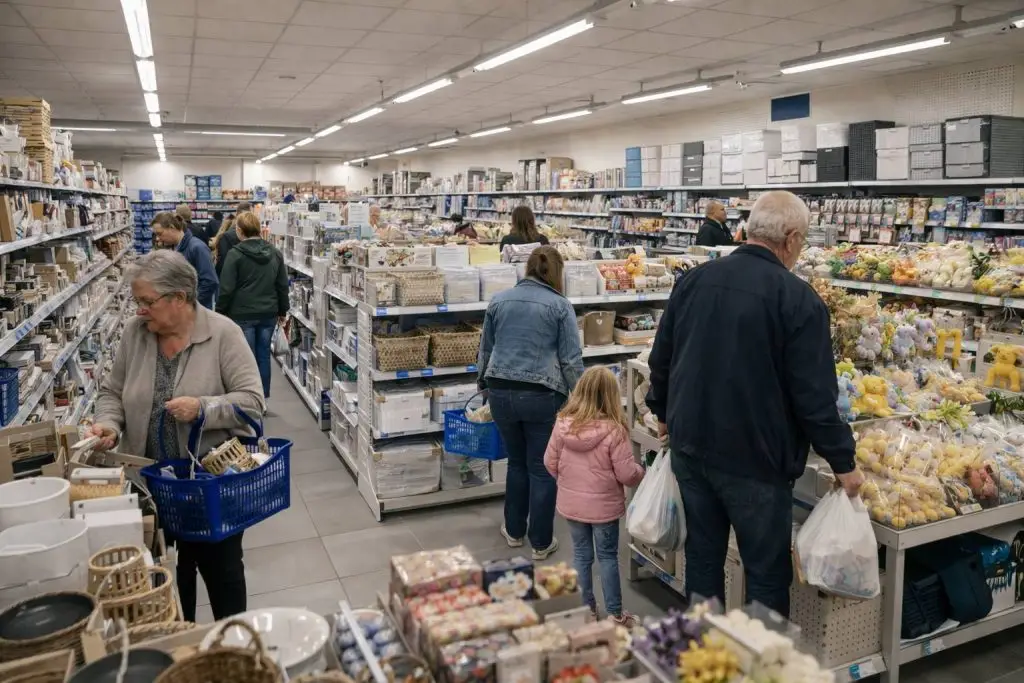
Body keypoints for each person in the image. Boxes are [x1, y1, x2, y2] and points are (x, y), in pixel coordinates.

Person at [646, 190, 864, 617]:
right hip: (756, 464)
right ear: (793, 237)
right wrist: (843, 462)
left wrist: (662, 412)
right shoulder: (799, 300)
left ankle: (706, 660)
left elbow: (662, 358)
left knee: (704, 561)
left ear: (748, 228)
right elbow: (814, 398)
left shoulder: (694, 280)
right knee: (765, 575)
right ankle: (762, 666)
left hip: (692, 449)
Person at [90, 250, 264, 623]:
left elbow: (252, 403)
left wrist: (203, 407)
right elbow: (111, 392)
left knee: (223, 577)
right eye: (137, 301)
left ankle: (233, 650)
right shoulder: (136, 335)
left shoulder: (223, 334)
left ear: (180, 298)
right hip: (152, 488)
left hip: (211, 490)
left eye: (147, 302)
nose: (140, 310)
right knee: (166, 582)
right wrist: (109, 424)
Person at [479, 245, 583, 560]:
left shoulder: (498, 300)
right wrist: (580, 397)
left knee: (516, 462)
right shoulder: (560, 306)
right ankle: (540, 542)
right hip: (541, 394)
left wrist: (484, 385)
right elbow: (570, 360)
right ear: (557, 272)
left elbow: (485, 349)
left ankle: (513, 531)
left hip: (500, 391)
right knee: (542, 467)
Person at [544, 366, 644, 626]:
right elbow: (626, 474)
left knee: (580, 555)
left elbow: (549, 462)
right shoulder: (615, 430)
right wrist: (641, 472)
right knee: (608, 557)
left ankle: (586, 610)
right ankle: (615, 614)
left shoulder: (563, 423)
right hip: (604, 508)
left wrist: (568, 483)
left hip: (572, 504)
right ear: (611, 396)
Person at [216, 212, 289, 399]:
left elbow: (226, 288)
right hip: (269, 313)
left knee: (245, 358)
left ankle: (249, 397)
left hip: (242, 314)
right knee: (263, 355)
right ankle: (262, 398)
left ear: (239, 231)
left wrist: (220, 312)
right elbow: (282, 285)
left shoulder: (235, 254)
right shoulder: (275, 253)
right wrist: (283, 310)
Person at [151, 212, 218, 309]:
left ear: (172, 227)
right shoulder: (175, 248)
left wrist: (190, 304)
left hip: (194, 312)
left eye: (159, 233)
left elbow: (210, 281)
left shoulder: (197, 247)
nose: (157, 238)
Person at [216, 201, 251, 275]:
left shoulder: (227, 235)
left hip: (233, 278)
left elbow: (223, 262)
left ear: (237, 213)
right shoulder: (254, 234)